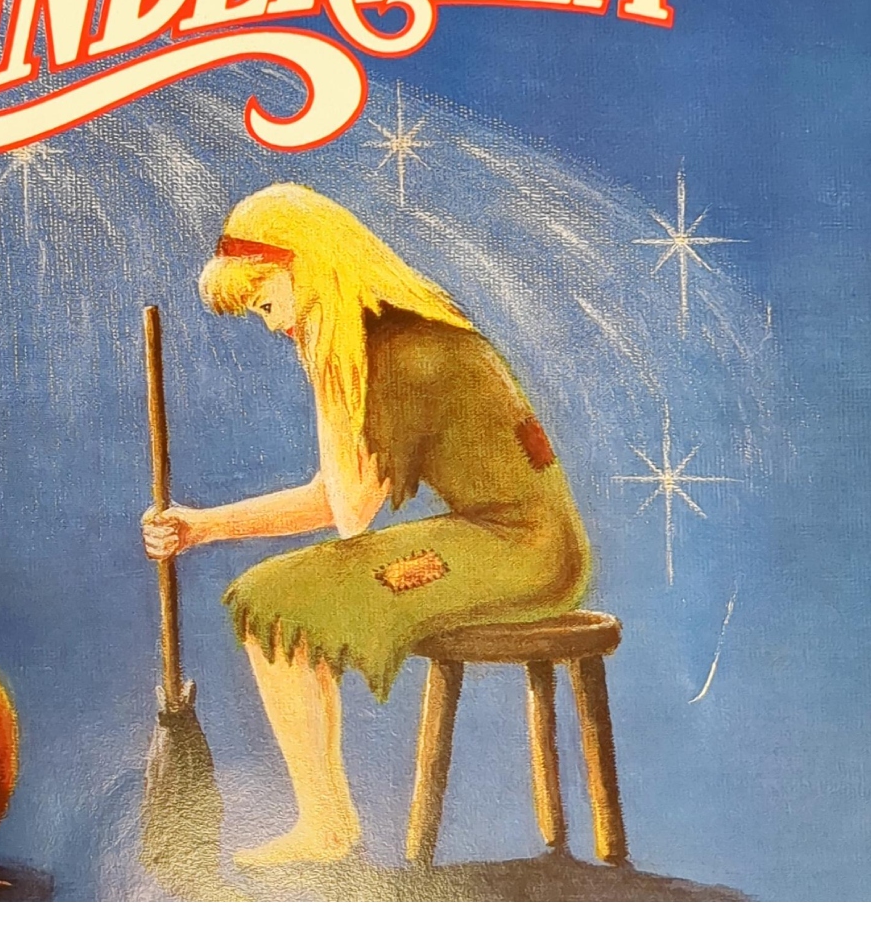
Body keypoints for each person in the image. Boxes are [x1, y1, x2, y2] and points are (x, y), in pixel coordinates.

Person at [139, 185, 589, 871]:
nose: (270, 324)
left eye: (267, 302)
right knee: (274, 596)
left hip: (523, 550)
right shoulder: (393, 334)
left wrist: (328, 373)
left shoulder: (400, 351)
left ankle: (326, 825)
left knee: (275, 601)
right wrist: (203, 527)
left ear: (310, 270)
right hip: (502, 537)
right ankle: (326, 821)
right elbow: (333, 498)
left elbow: (349, 515)